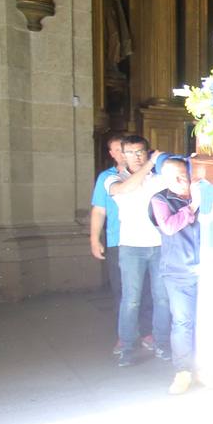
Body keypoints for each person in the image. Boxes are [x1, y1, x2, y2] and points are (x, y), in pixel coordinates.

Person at [107, 135, 171, 367]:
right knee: (131, 300)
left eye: (140, 152)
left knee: (162, 298)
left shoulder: (158, 178)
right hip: (132, 247)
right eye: (130, 153)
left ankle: (162, 344)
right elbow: (125, 189)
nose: (136, 157)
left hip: (159, 246)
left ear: (146, 152)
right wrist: (149, 164)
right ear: (123, 155)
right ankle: (126, 346)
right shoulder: (113, 178)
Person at [149, 158, 204, 395]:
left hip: (205, 268)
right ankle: (183, 372)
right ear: (166, 180)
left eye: (185, 176)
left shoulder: (199, 193)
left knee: (206, 321)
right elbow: (169, 226)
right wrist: (192, 207)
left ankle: (204, 369)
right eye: (176, 178)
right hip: (178, 271)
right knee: (183, 322)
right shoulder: (159, 200)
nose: (183, 182)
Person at [90, 132, 132, 353]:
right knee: (120, 289)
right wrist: (94, 239)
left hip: (145, 239)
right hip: (118, 239)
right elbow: (99, 210)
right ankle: (123, 335)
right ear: (111, 153)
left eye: (122, 149)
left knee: (147, 289)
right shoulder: (106, 177)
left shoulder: (144, 173)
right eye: (115, 150)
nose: (120, 154)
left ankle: (147, 332)